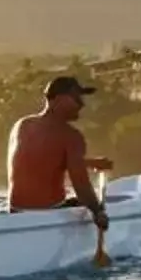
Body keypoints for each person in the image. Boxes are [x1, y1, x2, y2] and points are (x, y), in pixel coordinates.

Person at [7, 73, 108, 236]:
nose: (82, 104)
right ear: (60, 99)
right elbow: (81, 185)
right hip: (48, 215)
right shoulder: (71, 136)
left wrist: (88, 163)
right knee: (92, 201)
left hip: (16, 212)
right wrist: (98, 212)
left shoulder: (22, 125)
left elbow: (39, 160)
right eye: (77, 98)